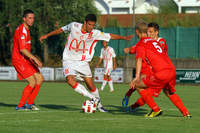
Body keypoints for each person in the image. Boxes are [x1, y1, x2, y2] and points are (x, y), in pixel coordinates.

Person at [40, 14, 133, 112]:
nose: (91, 27)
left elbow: (109, 35)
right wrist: (47, 35)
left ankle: (99, 105)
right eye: (89, 24)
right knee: (69, 79)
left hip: (83, 62)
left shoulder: (95, 33)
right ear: (85, 22)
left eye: (93, 25)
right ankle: (92, 98)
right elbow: (61, 30)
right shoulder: (74, 26)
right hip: (69, 60)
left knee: (91, 85)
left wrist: (124, 37)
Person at [122, 22, 191, 118]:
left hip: (160, 73)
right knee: (169, 92)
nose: (150, 33)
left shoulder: (144, 43)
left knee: (139, 86)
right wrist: (130, 50)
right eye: (149, 31)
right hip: (171, 70)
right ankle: (186, 113)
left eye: (151, 31)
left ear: (137, 32)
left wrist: (136, 76)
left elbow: (139, 58)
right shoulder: (153, 42)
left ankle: (155, 109)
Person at [12, 9, 44, 111]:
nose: (32, 20)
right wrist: (36, 59)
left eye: (33, 18)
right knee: (32, 82)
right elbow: (22, 49)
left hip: (26, 59)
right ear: (24, 19)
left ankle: (29, 104)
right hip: (19, 60)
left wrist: (33, 59)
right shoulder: (22, 31)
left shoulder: (26, 30)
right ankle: (20, 106)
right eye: (29, 18)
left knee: (40, 79)